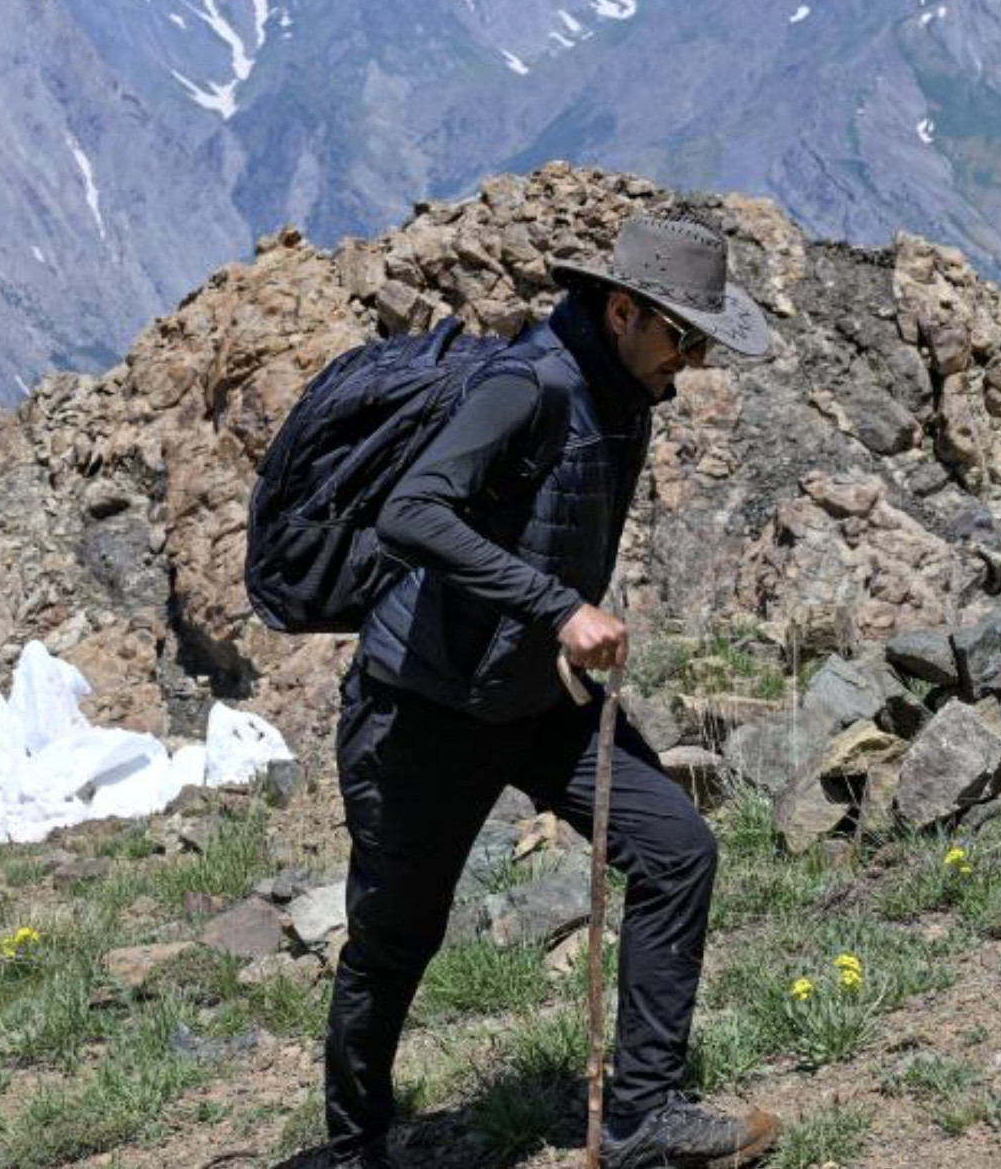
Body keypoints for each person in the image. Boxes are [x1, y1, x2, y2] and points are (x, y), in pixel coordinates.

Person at [321, 212, 782, 1169]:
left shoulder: (625, 395)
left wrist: (553, 626)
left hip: (538, 697)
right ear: (622, 311)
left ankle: (641, 1120)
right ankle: (354, 1145)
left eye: (702, 342)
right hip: (427, 705)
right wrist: (559, 608)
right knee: (396, 935)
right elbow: (412, 514)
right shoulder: (525, 385)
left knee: (676, 849)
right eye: (682, 337)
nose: (690, 362)